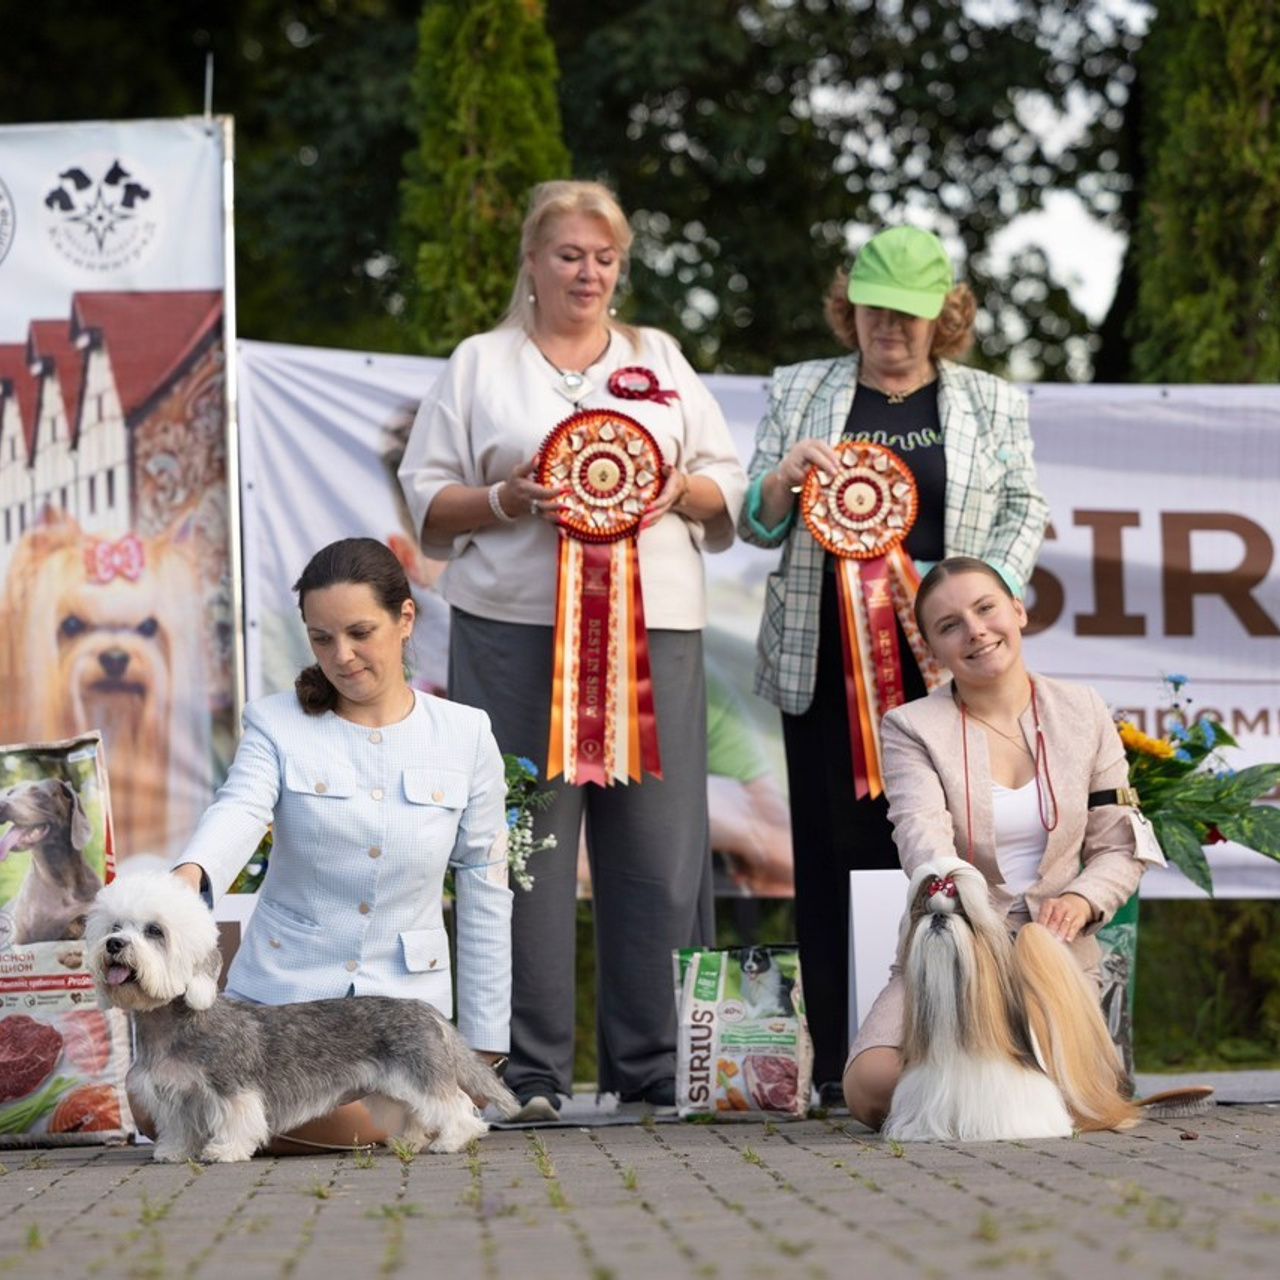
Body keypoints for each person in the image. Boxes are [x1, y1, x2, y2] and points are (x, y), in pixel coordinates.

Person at [398, 180, 746, 1120]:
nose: (588, 272)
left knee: (660, 850)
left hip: (654, 632)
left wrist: (681, 488)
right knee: (522, 848)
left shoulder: (660, 358)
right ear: (532, 262)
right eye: (569, 255)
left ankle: (660, 1066)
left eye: (604, 258)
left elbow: (729, 481)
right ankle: (526, 1071)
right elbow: (425, 500)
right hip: (511, 631)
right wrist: (506, 499)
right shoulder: (479, 364)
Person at [737, 225, 1049, 1105]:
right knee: (835, 858)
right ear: (852, 305)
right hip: (826, 671)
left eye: (911, 314)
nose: (892, 329)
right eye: (876, 309)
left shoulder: (992, 402)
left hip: (951, 672)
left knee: (961, 855)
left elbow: (1025, 505)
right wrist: (782, 482)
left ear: (944, 315)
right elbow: (756, 522)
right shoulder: (801, 390)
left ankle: (977, 1045)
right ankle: (845, 1066)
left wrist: (983, 606)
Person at [167, 537, 512, 1152]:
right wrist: (189, 876)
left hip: (404, 1021)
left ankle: (368, 1122)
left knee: (241, 1117)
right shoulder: (275, 723)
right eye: (322, 638)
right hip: (278, 1017)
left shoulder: (466, 733)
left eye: (359, 632)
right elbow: (240, 808)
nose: (342, 656)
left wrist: (481, 1047)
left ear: (406, 619)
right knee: (171, 1099)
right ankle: (355, 1126)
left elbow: (486, 888)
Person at [842, 556, 1151, 1128]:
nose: (975, 630)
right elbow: (920, 833)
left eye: (985, 609)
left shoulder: (1083, 712)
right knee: (871, 1088)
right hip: (955, 947)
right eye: (950, 624)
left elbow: (1119, 845)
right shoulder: (911, 726)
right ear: (932, 648)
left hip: (1052, 954)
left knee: (1057, 1086)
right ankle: (989, 1098)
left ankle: (995, 1096)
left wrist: (1082, 900)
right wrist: (958, 902)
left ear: (1017, 610)